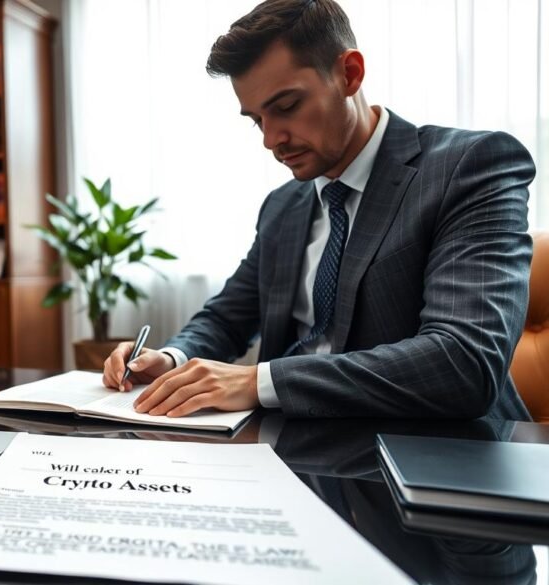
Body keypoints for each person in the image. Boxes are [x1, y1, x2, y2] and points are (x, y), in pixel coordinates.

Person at [102, 0, 535, 421]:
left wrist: (259, 382)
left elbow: (463, 363)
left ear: (350, 73)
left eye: (287, 107)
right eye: (256, 119)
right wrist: (171, 358)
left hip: (439, 460)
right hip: (293, 453)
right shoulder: (283, 206)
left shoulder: (469, 166)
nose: (271, 140)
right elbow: (227, 318)